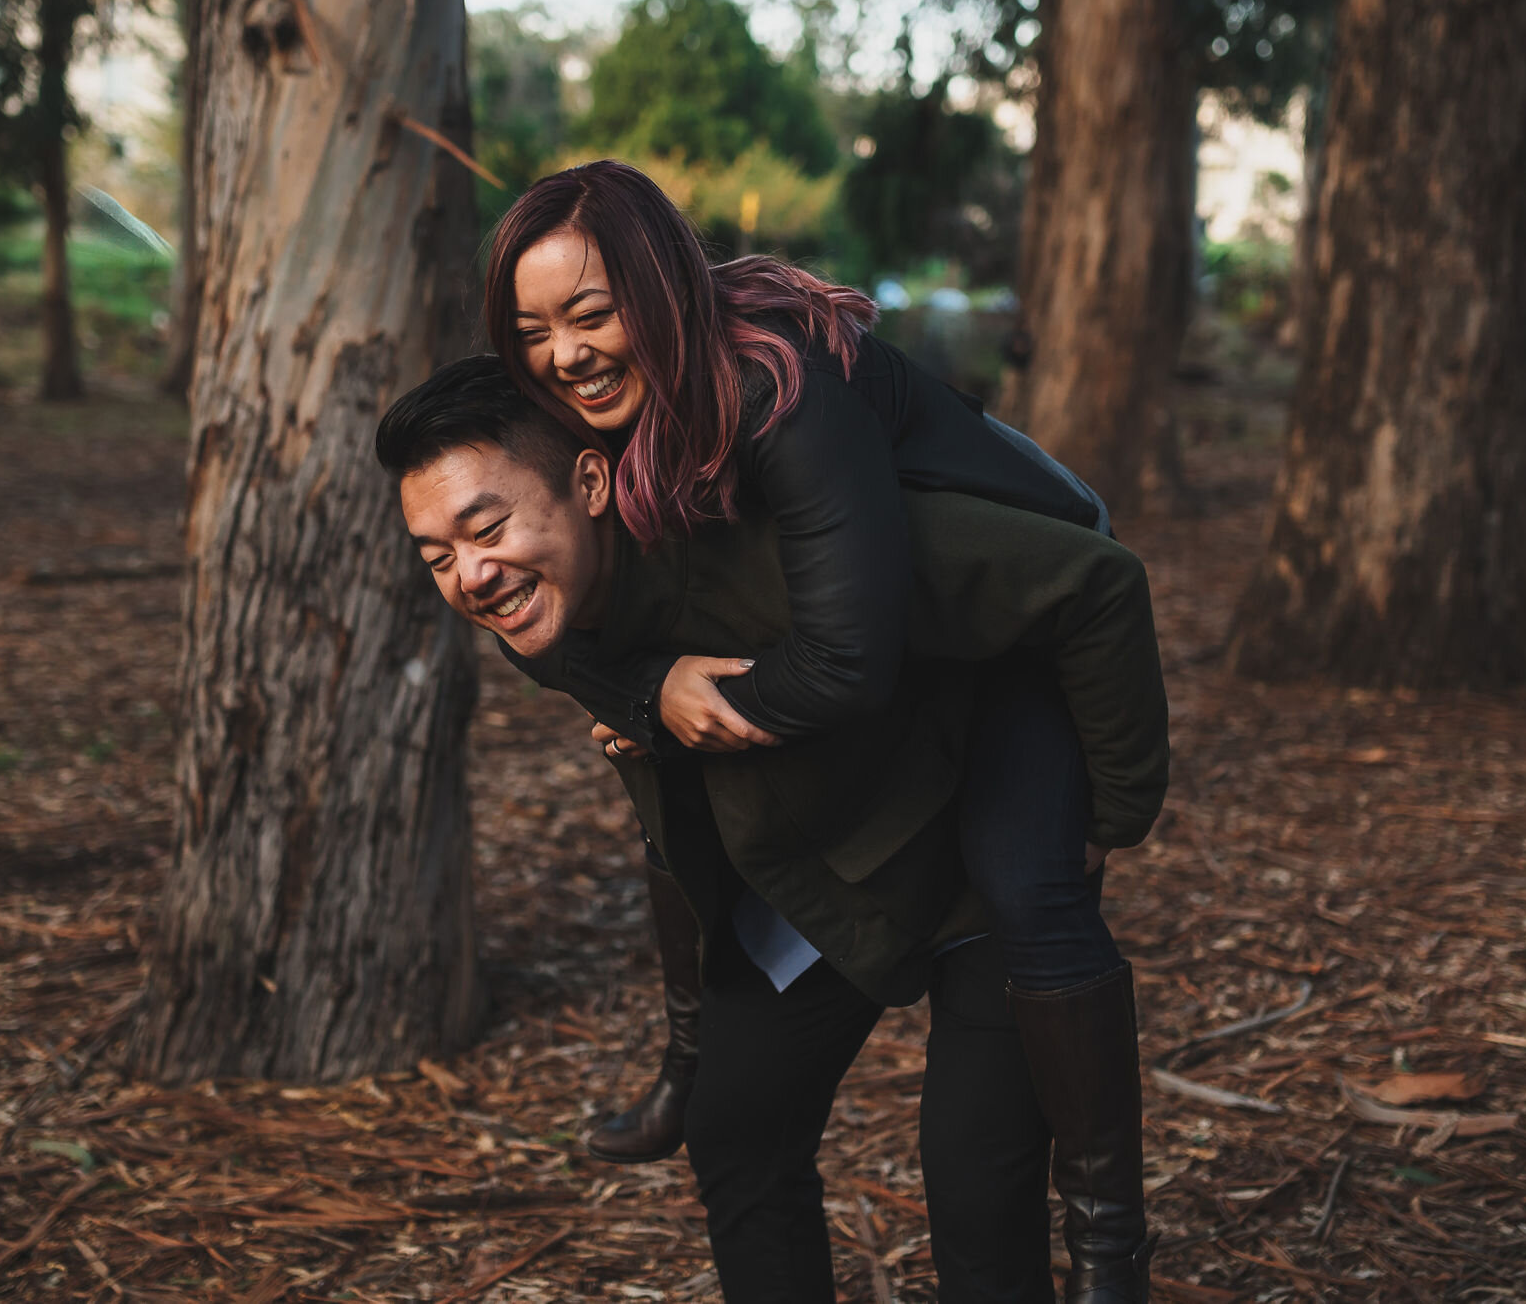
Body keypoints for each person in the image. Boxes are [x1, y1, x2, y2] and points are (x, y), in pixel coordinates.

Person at [477, 160, 1167, 1304]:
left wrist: (1112, 807)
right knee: (743, 1080)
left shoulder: (770, 391)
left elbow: (849, 659)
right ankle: (692, 1063)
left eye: (590, 314)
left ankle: (1109, 1254)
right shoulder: (599, 429)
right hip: (904, 643)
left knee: (1027, 883)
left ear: (657, 293)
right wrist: (645, 695)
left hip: (1016, 617)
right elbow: (532, 594)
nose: (564, 352)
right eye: (532, 329)